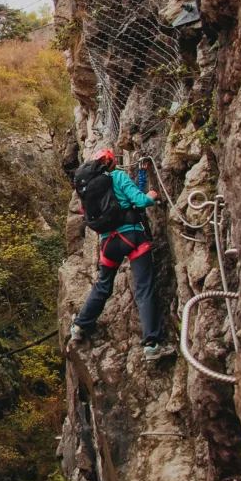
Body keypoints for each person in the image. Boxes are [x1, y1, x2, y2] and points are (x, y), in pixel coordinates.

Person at [69, 149, 174, 361]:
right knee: (143, 288)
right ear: (111, 161)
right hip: (132, 238)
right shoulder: (117, 176)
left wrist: (141, 178)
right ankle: (151, 345)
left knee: (103, 285)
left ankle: (80, 326)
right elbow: (140, 201)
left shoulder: (87, 189)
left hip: (108, 243)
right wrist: (151, 197)